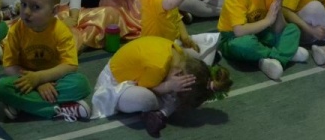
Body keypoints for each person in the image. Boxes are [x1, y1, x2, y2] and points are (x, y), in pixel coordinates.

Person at [0, 0, 92, 122]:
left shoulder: (61, 31)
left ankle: (24, 104)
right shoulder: (16, 30)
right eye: (23, 4)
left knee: (81, 84)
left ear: (54, 11)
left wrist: (40, 78)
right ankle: (58, 110)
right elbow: (9, 67)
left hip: (53, 80)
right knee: (2, 87)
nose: (26, 12)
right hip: (25, 79)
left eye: (35, 7)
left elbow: (70, 66)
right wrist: (34, 82)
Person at [89, 35, 232, 136]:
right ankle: (162, 111)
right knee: (146, 99)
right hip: (114, 83)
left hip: (139, 73)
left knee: (170, 94)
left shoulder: (179, 55)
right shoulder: (158, 67)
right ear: (180, 73)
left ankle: (162, 111)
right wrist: (168, 87)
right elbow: (147, 88)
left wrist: (170, 87)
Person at [218, 0, 307, 81]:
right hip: (233, 38)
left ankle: (272, 59)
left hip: (261, 34)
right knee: (245, 44)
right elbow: (239, 31)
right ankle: (283, 55)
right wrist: (267, 21)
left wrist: (277, 9)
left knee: (293, 29)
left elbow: (279, 29)